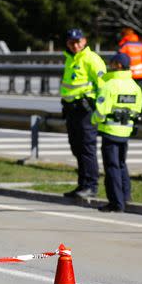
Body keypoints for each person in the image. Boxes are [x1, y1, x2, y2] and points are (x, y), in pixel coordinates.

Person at [92, 52, 142, 213]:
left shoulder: (109, 85)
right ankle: (126, 196)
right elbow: (138, 110)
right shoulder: (135, 86)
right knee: (121, 164)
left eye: (112, 63)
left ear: (118, 65)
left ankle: (115, 203)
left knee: (111, 167)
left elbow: (100, 110)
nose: (110, 65)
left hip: (110, 131)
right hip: (125, 131)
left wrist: (94, 120)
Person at [60, 28, 106, 199]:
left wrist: (99, 109)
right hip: (72, 110)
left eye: (78, 42)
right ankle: (82, 184)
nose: (75, 45)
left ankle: (91, 186)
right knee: (76, 147)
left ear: (84, 41)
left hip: (86, 111)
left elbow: (102, 85)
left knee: (87, 148)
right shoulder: (70, 59)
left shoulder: (91, 59)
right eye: (71, 42)